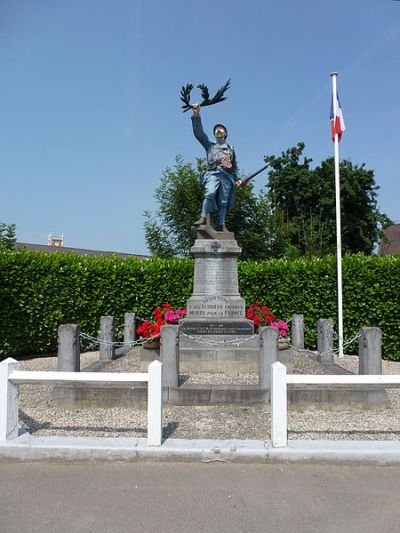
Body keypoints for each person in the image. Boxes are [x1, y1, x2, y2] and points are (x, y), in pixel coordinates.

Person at [191, 103, 241, 231]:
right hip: (213, 172)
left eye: (221, 129)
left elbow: (234, 166)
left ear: (225, 133)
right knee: (210, 192)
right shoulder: (210, 145)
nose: (218, 130)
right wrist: (196, 114)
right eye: (216, 129)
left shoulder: (230, 149)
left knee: (224, 201)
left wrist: (238, 179)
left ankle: (222, 224)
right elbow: (199, 134)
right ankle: (202, 217)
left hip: (227, 176)